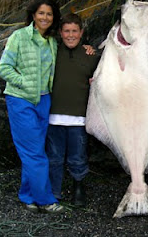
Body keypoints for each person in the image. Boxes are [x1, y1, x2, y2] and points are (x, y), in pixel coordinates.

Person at [0, 0, 65, 214]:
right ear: (33, 15)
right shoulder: (19, 36)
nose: (45, 17)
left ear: (53, 18)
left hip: (44, 100)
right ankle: (45, 200)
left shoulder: (53, 40)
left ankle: (27, 195)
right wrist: (25, 83)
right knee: (34, 152)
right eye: (41, 13)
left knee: (32, 150)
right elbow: (4, 68)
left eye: (49, 14)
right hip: (20, 99)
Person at [45, 13, 100, 207]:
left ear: (81, 33)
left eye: (74, 31)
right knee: (54, 157)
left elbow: (102, 78)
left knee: (78, 156)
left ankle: (78, 187)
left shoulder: (90, 56)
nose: (70, 35)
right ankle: (54, 192)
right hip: (53, 117)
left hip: (79, 118)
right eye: (66, 31)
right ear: (60, 33)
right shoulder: (53, 52)